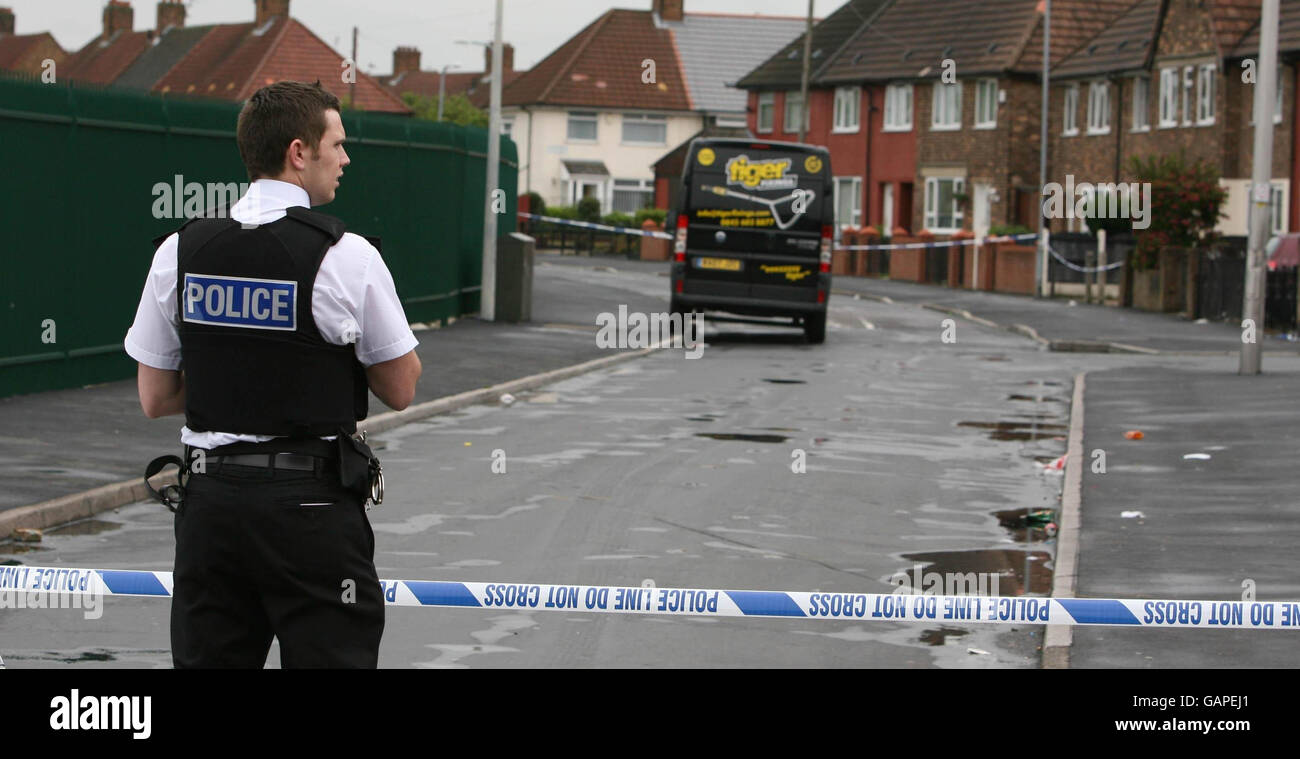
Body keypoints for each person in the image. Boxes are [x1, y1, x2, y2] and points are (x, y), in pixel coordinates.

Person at [124, 80, 422, 668]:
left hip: (211, 508)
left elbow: (156, 396)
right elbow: (401, 387)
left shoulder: (180, 251)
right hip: (309, 512)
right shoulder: (348, 255)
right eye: (336, 144)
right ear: (298, 152)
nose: (345, 157)